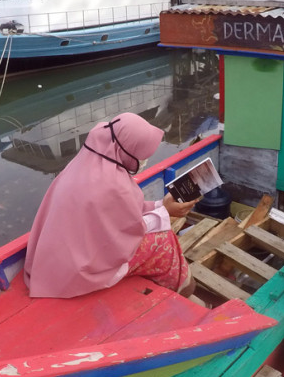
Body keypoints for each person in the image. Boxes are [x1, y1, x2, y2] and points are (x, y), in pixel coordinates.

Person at [24, 113, 199, 299]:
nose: (143, 161)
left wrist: (158, 205)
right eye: (141, 155)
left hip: (52, 260)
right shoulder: (114, 184)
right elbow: (129, 230)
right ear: (127, 151)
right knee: (163, 239)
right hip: (78, 272)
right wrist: (165, 212)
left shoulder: (86, 161)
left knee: (160, 226)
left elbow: (121, 211)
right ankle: (183, 288)